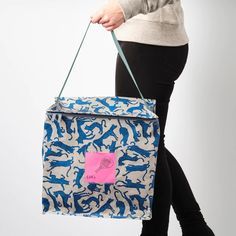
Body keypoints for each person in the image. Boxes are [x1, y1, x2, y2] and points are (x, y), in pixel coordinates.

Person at [90, 1, 215, 236]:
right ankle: (196, 228)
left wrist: (124, 8)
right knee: (152, 145)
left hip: (149, 46)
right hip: (151, 44)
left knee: (144, 147)